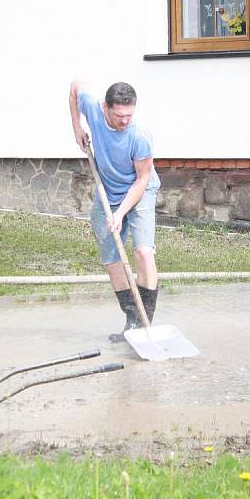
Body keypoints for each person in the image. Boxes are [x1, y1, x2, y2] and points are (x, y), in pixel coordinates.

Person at [69, 81, 161, 342]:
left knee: (143, 252)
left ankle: (146, 323)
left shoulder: (140, 135)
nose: (125, 121)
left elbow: (141, 180)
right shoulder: (92, 107)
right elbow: (75, 88)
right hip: (106, 192)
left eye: (129, 115)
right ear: (104, 108)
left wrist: (120, 214)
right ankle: (132, 320)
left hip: (139, 191)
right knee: (112, 259)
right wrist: (77, 127)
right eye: (119, 116)